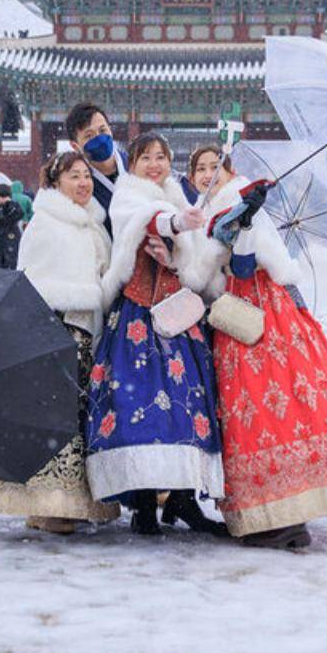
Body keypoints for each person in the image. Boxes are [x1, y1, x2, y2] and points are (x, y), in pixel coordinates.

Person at [191, 158, 327, 549]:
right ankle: (270, 515)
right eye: (200, 168)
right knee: (252, 413)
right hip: (236, 312)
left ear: (231, 172)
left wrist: (242, 227)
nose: (207, 173)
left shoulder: (246, 204)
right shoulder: (207, 214)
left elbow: (253, 266)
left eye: (215, 165)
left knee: (269, 407)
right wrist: (221, 233)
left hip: (262, 313)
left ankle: (283, 516)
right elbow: (203, 277)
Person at [0, 152, 122, 534]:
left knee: (80, 423)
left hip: (88, 333)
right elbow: (30, 279)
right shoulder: (46, 223)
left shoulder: (93, 224)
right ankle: (45, 506)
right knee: (54, 424)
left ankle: (76, 502)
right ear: (54, 181)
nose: (83, 183)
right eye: (73, 177)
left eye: (86, 176)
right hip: (57, 331)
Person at [86, 132, 227, 536]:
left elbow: (195, 256)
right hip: (137, 314)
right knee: (138, 403)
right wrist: (176, 223)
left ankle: (183, 497)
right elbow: (144, 220)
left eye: (161, 157)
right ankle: (144, 500)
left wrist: (178, 253)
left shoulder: (179, 195)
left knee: (186, 404)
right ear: (131, 162)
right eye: (145, 157)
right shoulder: (129, 194)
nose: (154, 164)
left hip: (176, 311)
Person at [67, 102, 125, 234]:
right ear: (75, 146)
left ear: (110, 130)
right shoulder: (80, 186)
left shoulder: (136, 165)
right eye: (89, 135)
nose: (99, 138)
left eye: (103, 130)